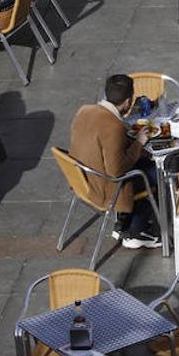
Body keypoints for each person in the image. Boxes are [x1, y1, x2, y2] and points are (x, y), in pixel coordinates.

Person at [69, 74, 162, 249]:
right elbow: (117, 170)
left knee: (142, 166)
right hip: (105, 187)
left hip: (83, 178)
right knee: (155, 173)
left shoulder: (84, 110)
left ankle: (122, 222)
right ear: (128, 101)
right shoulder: (113, 126)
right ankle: (137, 231)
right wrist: (139, 142)